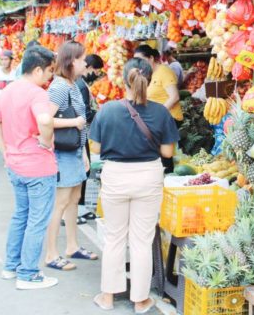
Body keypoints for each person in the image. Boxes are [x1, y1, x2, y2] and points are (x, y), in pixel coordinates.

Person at [89, 58, 179, 314]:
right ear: (149, 82)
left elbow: (95, 148)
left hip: (116, 176)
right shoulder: (161, 112)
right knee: (141, 240)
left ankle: (108, 296)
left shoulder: (107, 110)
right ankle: (140, 300)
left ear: (124, 79)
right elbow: (168, 152)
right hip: (148, 177)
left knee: (114, 238)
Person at [0, 45, 59, 290]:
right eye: (50, 71)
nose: (51, 76)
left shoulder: (8, 90)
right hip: (38, 166)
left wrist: (5, 149)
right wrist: (46, 140)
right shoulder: (37, 93)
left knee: (21, 215)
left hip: (15, 164)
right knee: (37, 221)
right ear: (38, 69)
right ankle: (28, 274)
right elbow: (45, 120)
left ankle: (11, 266)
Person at [44, 41, 96, 271]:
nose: (86, 62)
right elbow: (45, 120)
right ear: (71, 61)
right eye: (82, 58)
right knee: (61, 203)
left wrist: (83, 154)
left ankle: (72, 246)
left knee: (74, 199)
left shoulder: (73, 84)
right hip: (62, 153)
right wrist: (73, 122)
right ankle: (51, 254)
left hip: (74, 151)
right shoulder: (59, 87)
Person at [75, 54, 104, 222]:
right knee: (83, 170)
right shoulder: (82, 86)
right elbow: (84, 113)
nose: (97, 74)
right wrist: (99, 113)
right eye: (97, 70)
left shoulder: (80, 84)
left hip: (82, 133)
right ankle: (76, 209)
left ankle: (81, 208)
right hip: (82, 133)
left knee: (84, 170)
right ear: (90, 68)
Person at [134, 44, 182, 123]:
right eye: (137, 61)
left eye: (141, 60)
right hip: (157, 119)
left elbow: (175, 97)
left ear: (151, 58)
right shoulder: (149, 73)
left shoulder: (164, 71)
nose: (139, 63)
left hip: (169, 119)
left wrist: (158, 114)